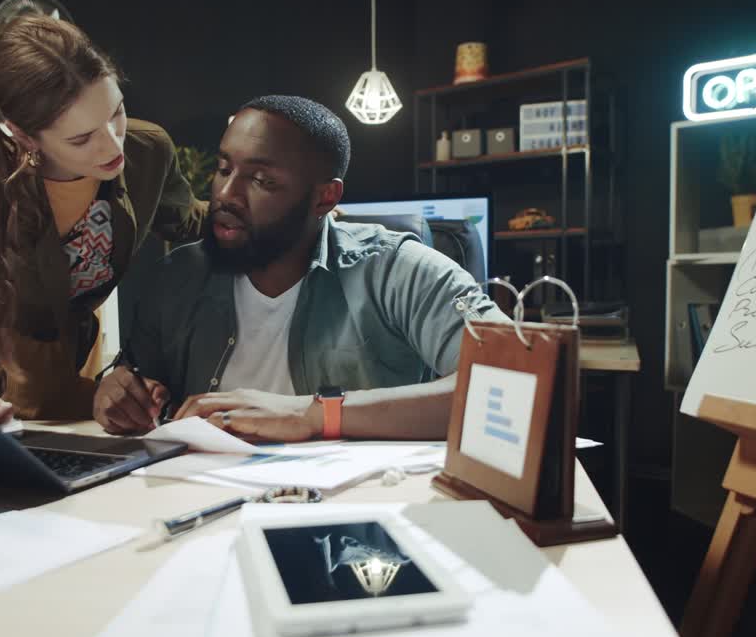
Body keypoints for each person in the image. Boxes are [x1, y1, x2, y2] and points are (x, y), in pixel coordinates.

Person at [93, 95, 508, 441]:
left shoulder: (394, 269)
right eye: (223, 169)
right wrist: (118, 393)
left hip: (352, 503)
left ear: (325, 198)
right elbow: (133, 382)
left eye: (262, 180)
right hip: (201, 498)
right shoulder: (176, 278)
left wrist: (315, 414)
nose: (226, 194)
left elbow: (511, 385)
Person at [0, 14, 206, 422]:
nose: (113, 146)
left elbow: (190, 221)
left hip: (73, 373)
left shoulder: (147, 152)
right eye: (81, 139)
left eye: (116, 112)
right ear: (24, 135)